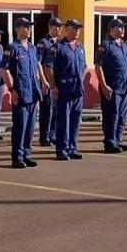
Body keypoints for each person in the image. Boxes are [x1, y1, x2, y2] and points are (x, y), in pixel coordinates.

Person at [42, 18, 87, 161]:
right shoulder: (58, 47)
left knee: (75, 120)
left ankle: (72, 148)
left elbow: (84, 66)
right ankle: (62, 149)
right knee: (63, 121)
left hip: (77, 90)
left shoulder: (80, 47)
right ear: (67, 29)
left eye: (78, 28)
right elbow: (48, 66)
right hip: (64, 89)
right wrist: (53, 85)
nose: (77, 31)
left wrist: (81, 78)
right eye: (74, 28)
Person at [1, 17, 42, 168]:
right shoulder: (12, 48)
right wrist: (11, 89)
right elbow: (3, 69)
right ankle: (17, 157)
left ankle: (26, 154)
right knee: (20, 126)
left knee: (30, 127)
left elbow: (36, 67)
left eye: (30, 27)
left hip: (33, 92)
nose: (29, 29)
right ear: (17, 29)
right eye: (25, 27)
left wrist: (41, 83)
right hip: (21, 92)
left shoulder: (32, 48)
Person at [94, 18, 127, 153]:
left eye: (123, 27)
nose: (122, 29)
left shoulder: (124, 45)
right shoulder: (106, 45)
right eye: (119, 27)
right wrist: (104, 86)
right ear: (111, 29)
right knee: (112, 115)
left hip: (124, 87)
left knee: (122, 116)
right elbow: (98, 66)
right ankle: (109, 142)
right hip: (112, 87)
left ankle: (117, 140)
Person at [36, 18, 62, 147]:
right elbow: (39, 63)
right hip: (47, 83)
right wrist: (44, 80)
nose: (60, 29)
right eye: (57, 27)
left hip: (57, 82)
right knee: (47, 110)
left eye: (61, 27)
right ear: (51, 27)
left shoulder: (60, 43)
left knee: (56, 110)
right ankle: (44, 136)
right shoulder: (43, 43)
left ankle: (52, 135)